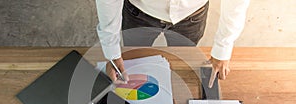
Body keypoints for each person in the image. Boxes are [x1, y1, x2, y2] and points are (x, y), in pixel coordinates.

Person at [95, 0, 249, 87]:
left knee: (182, 72)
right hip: (139, 12)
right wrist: (112, 51)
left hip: (192, 16)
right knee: (134, 62)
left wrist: (223, 47)